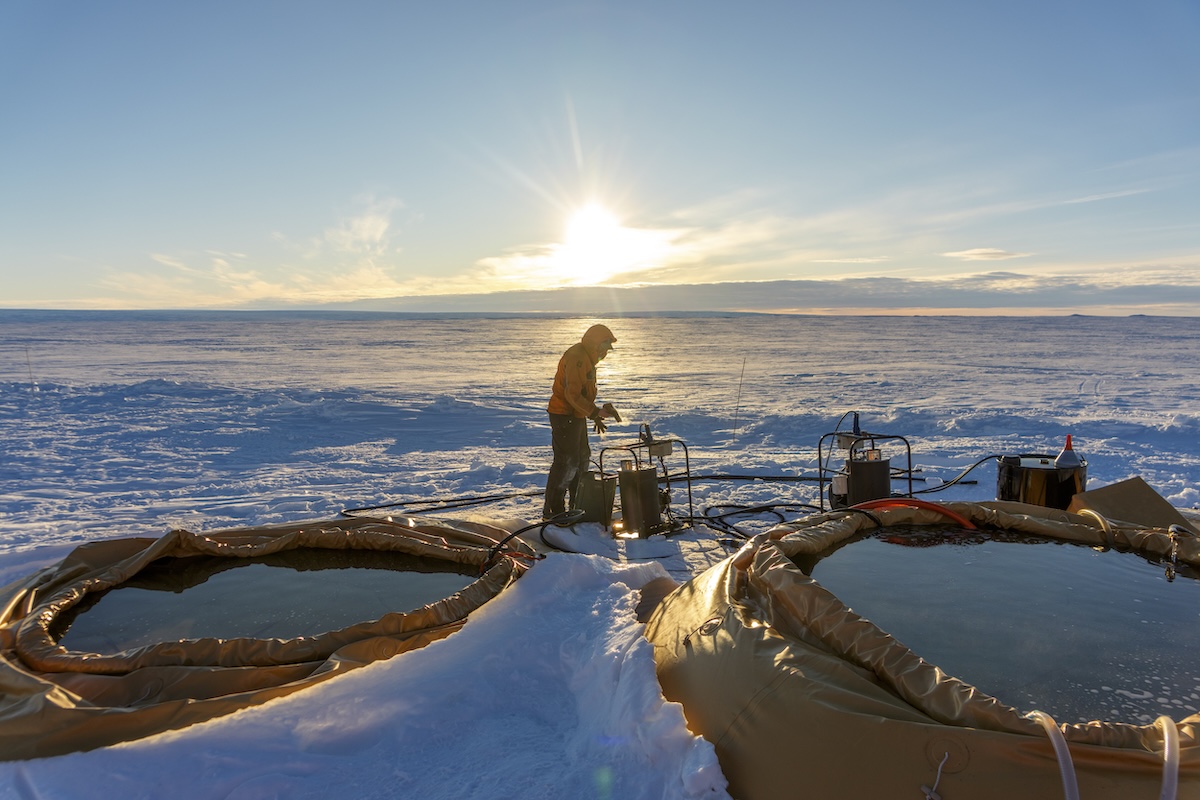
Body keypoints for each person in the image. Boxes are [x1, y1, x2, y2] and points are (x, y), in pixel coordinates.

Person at [543, 324, 620, 520]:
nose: (605, 353)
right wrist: (594, 411)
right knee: (566, 462)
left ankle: (576, 503)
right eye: (603, 348)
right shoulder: (577, 357)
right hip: (564, 415)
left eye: (607, 350)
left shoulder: (587, 358)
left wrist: (594, 414)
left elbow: (583, 394)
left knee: (582, 458)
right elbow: (572, 395)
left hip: (575, 416)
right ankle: (553, 510)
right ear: (595, 344)